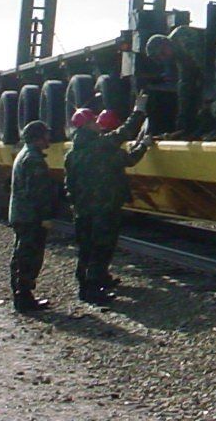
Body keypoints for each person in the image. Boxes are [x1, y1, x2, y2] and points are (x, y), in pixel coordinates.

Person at [64, 92, 152, 304]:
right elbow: (125, 134)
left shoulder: (73, 154)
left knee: (86, 248)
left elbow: (69, 184)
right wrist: (139, 111)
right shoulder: (100, 146)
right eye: (93, 121)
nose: (97, 123)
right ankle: (94, 290)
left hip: (83, 210)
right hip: (103, 208)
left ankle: (88, 284)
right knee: (101, 247)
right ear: (86, 126)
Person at [8, 119, 57, 313]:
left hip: (22, 214)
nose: (48, 138)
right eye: (46, 134)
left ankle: (21, 296)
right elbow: (38, 192)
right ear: (39, 137)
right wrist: (46, 217)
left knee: (22, 255)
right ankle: (24, 298)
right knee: (29, 257)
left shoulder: (25, 154)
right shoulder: (33, 159)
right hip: (30, 217)